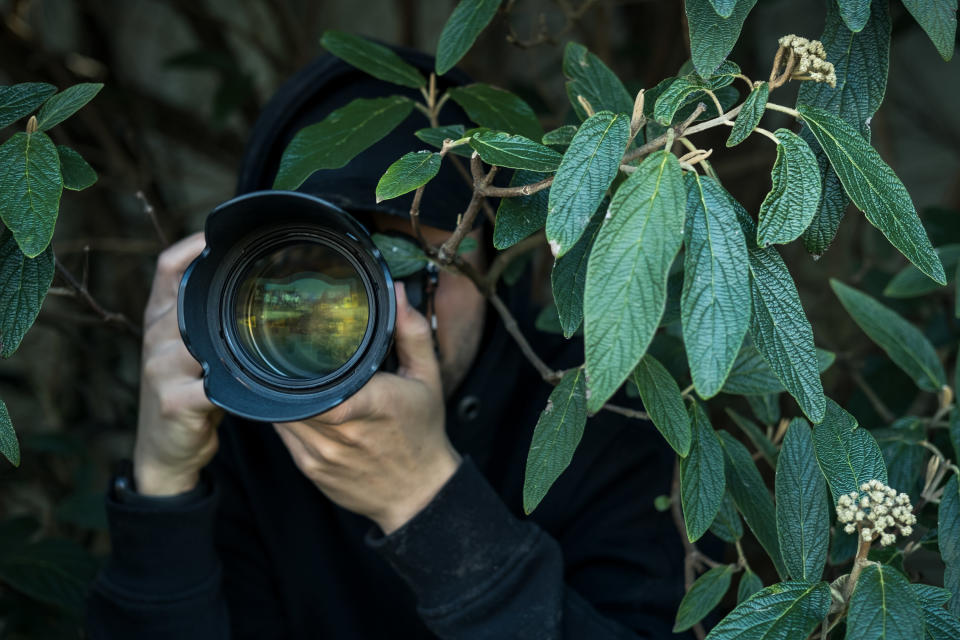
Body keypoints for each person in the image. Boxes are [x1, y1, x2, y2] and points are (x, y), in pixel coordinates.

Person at [85, 45, 688, 639]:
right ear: (242, 282)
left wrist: (427, 502)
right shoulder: (238, 429)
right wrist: (163, 488)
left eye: (422, 260)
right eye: (321, 276)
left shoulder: (601, 413)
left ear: (497, 264)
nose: (382, 311)